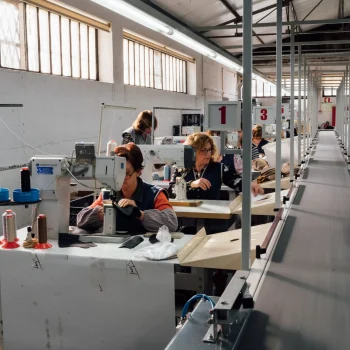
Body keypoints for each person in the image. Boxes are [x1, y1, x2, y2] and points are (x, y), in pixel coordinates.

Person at [77, 143, 178, 233]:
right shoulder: (107, 193)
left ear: (139, 172)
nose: (120, 178)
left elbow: (172, 222)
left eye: (126, 173)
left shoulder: (155, 194)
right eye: (117, 172)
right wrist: (100, 214)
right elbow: (80, 219)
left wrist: (140, 214)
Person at [168, 132, 263, 201]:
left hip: (212, 219)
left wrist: (249, 184)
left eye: (210, 150)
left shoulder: (218, 168)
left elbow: (235, 180)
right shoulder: (181, 169)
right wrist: (191, 184)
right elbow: (171, 191)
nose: (208, 153)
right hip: (186, 217)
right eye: (204, 150)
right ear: (192, 151)